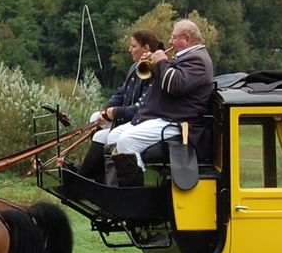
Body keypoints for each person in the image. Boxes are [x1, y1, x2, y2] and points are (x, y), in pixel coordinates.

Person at [103, 18, 216, 185]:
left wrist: (161, 61)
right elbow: (167, 79)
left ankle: (135, 193)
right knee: (113, 137)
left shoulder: (198, 60)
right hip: (164, 117)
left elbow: (175, 85)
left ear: (186, 39)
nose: (170, 41)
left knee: (126, 141)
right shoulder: (187, 57)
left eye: (174, 37)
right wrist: (153, 65)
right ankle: (114, 188)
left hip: (178, 121)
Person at [79, 29, 163, 180]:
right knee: (95, 118)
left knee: (104, 135)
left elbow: (142, 107)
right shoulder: (134, 67)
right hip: (130, 116)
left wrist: (116, 113)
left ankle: (92, 178)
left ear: (146, 48)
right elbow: (121, 92)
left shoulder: (154, 70)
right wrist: (106, 110)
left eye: (134, 46)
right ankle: (91, 176)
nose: (130, 49)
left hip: (141, 120)